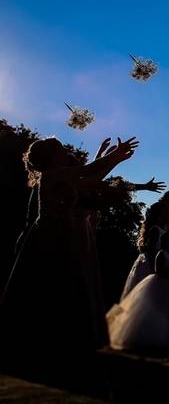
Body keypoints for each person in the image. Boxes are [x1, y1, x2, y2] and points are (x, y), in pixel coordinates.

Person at [0, 136, 137, 352]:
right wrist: (115, 155)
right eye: (61, 149)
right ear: (51, 156)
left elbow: (93, 177)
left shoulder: (62, 175)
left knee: (68, 280)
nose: (65, 152)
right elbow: (90, 169)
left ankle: (65, 336)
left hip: (66, 233)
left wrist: (117, 159)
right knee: (53, 281)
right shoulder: (53, 174)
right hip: (51, 235)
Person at [121, 202, 169, 299]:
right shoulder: (155, 229)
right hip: (151, 264)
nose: (168, 213)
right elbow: (151, 250)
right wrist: (155, 270)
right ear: (159, 214)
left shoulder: (163, 228)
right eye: (165, 211)